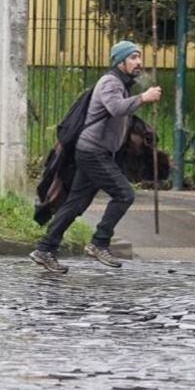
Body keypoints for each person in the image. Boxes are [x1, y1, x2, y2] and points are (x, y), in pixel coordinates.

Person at [29, 40, 162, 274]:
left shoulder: (122, 83)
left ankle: (45, 249)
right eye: (132, 58)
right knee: (124, 194)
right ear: (120, 62)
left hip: (96, 151)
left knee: (76, 203)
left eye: (139, 57)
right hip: (93, 151)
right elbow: (116, 108)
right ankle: (99, 242)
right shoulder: (110, 82)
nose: (138, 62)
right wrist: (144, 98)